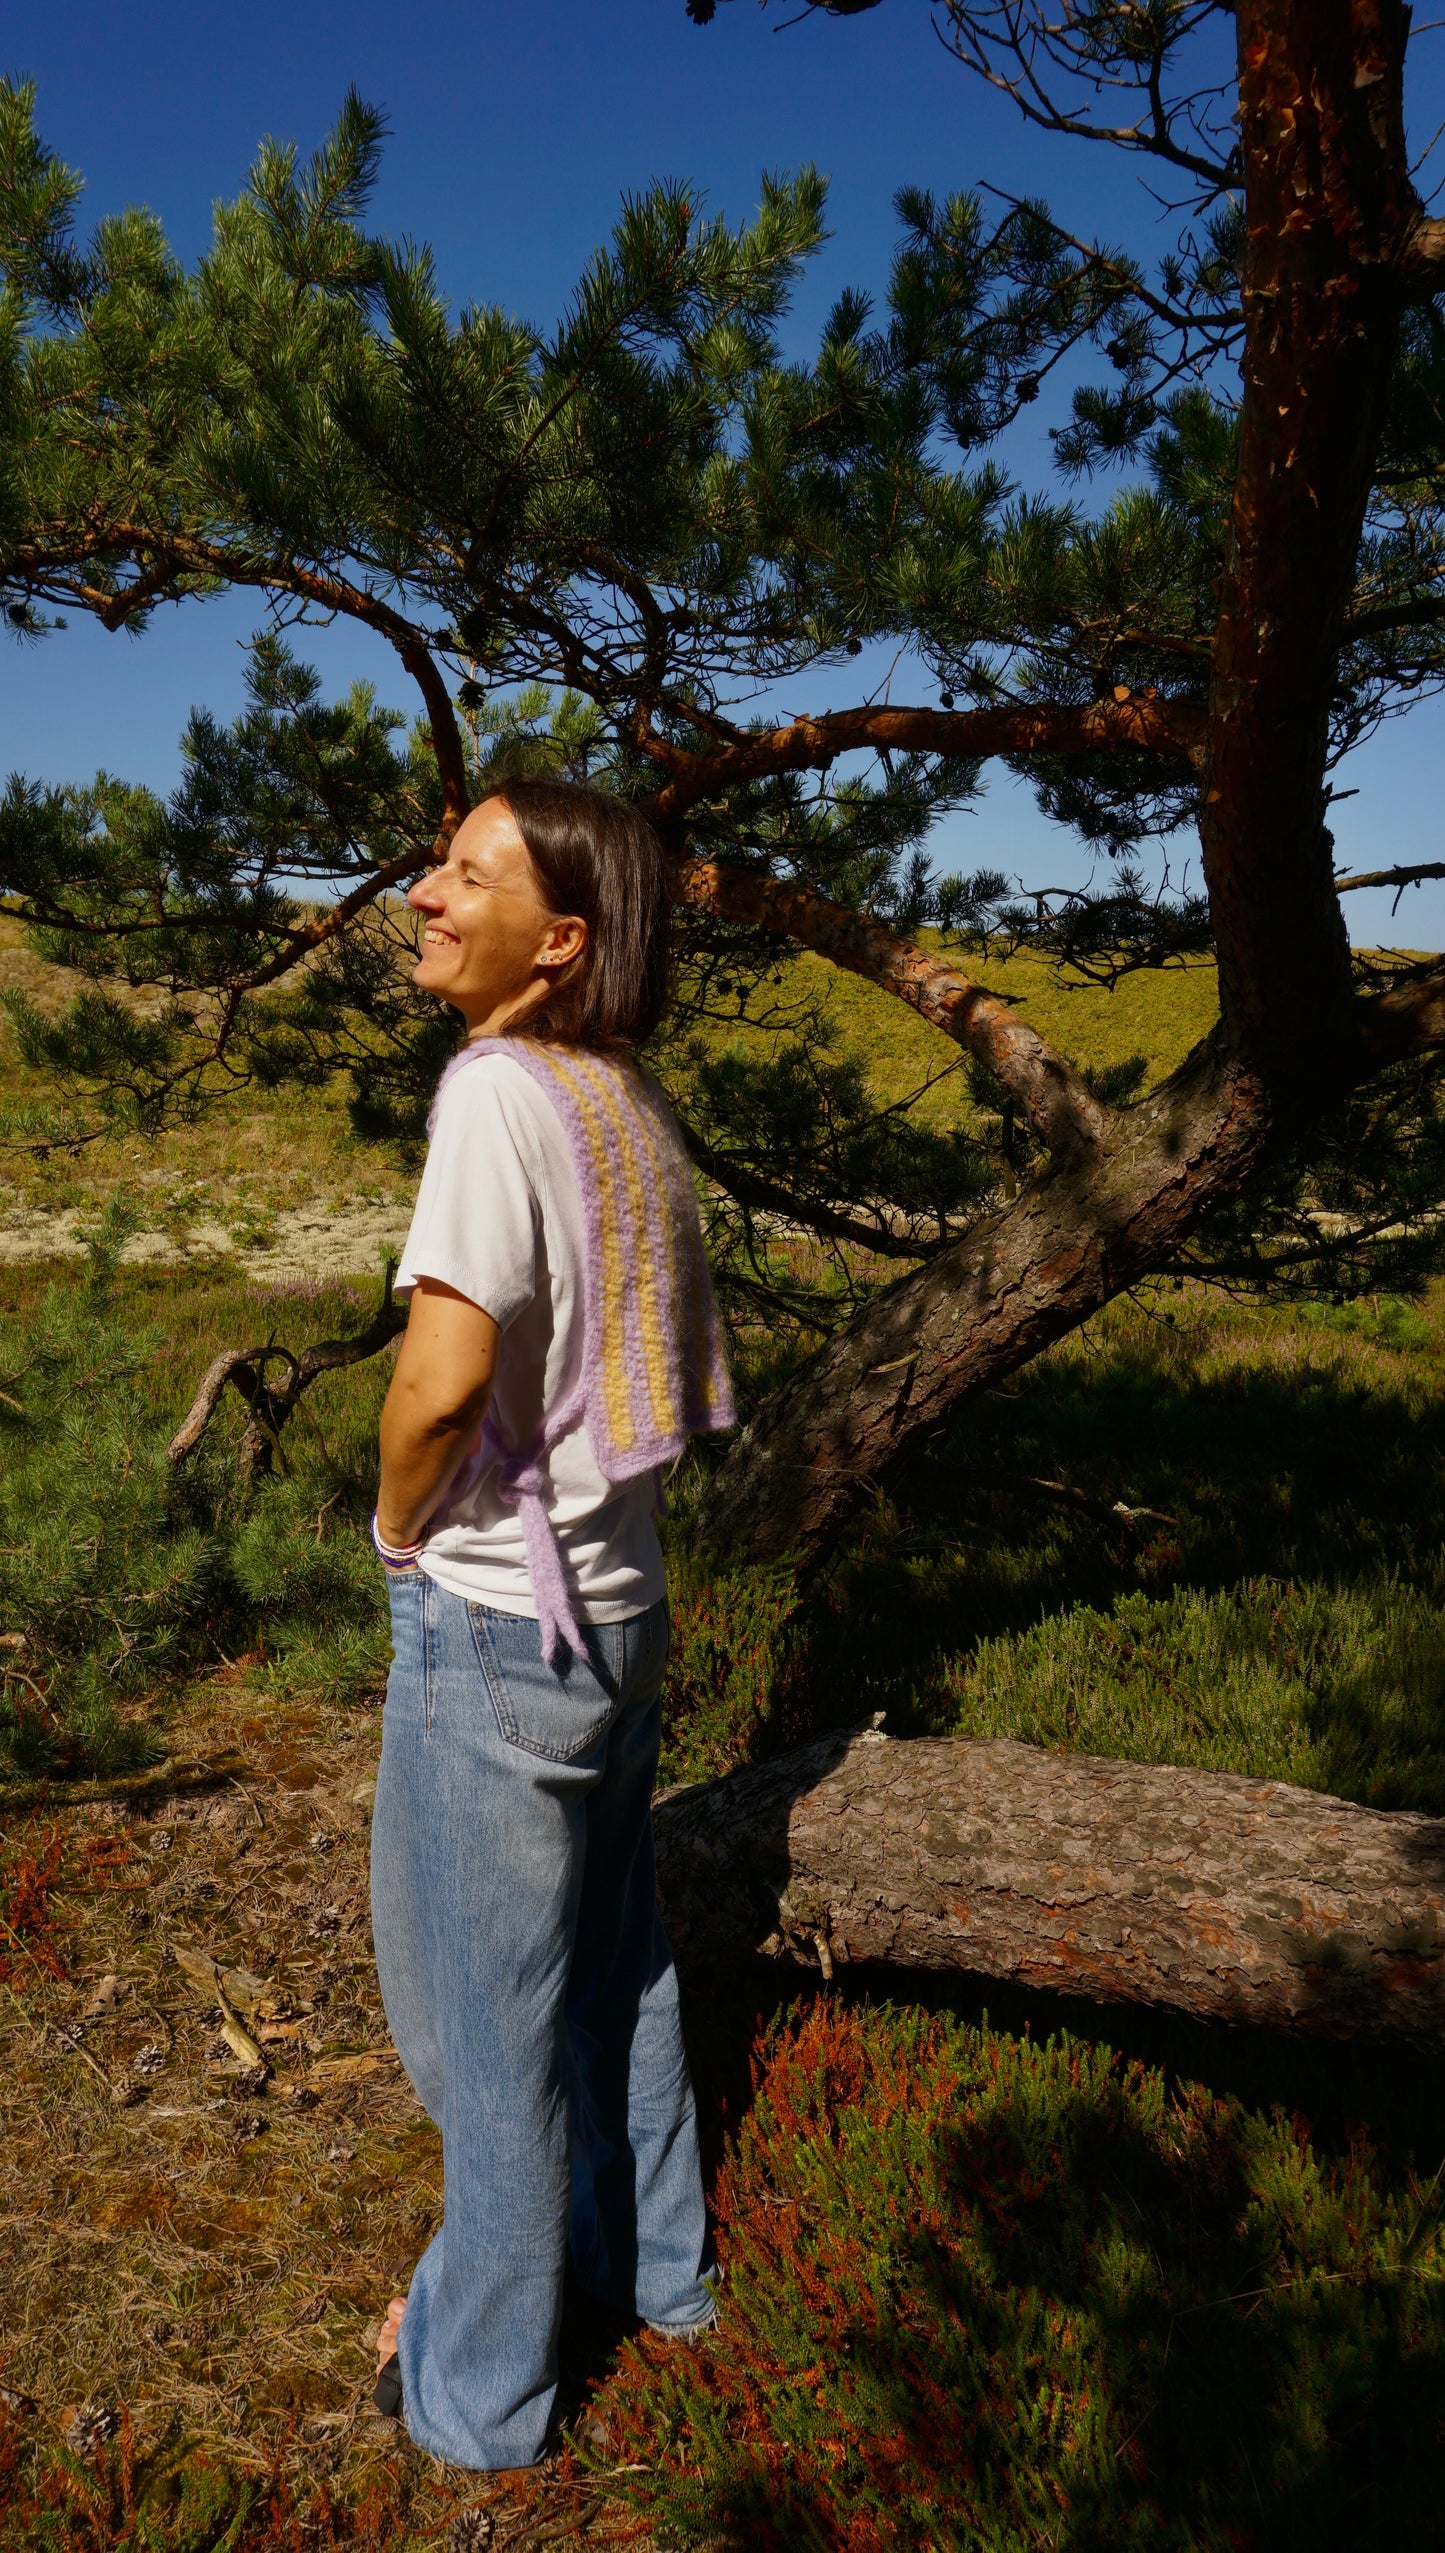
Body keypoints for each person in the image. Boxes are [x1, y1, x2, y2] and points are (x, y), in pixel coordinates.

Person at [367, 777, 734, 2471]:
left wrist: (394, 1529)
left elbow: (441, 1383)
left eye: (468, 872)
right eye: (438, 864)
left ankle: (479, 2394)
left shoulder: (495, 1093)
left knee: (482, 2030)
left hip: (504, 1625)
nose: (427, 892)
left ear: (560, 938)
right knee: (615, 1969)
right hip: (622, 1608)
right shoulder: (622, 1101)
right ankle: (659, 2274)